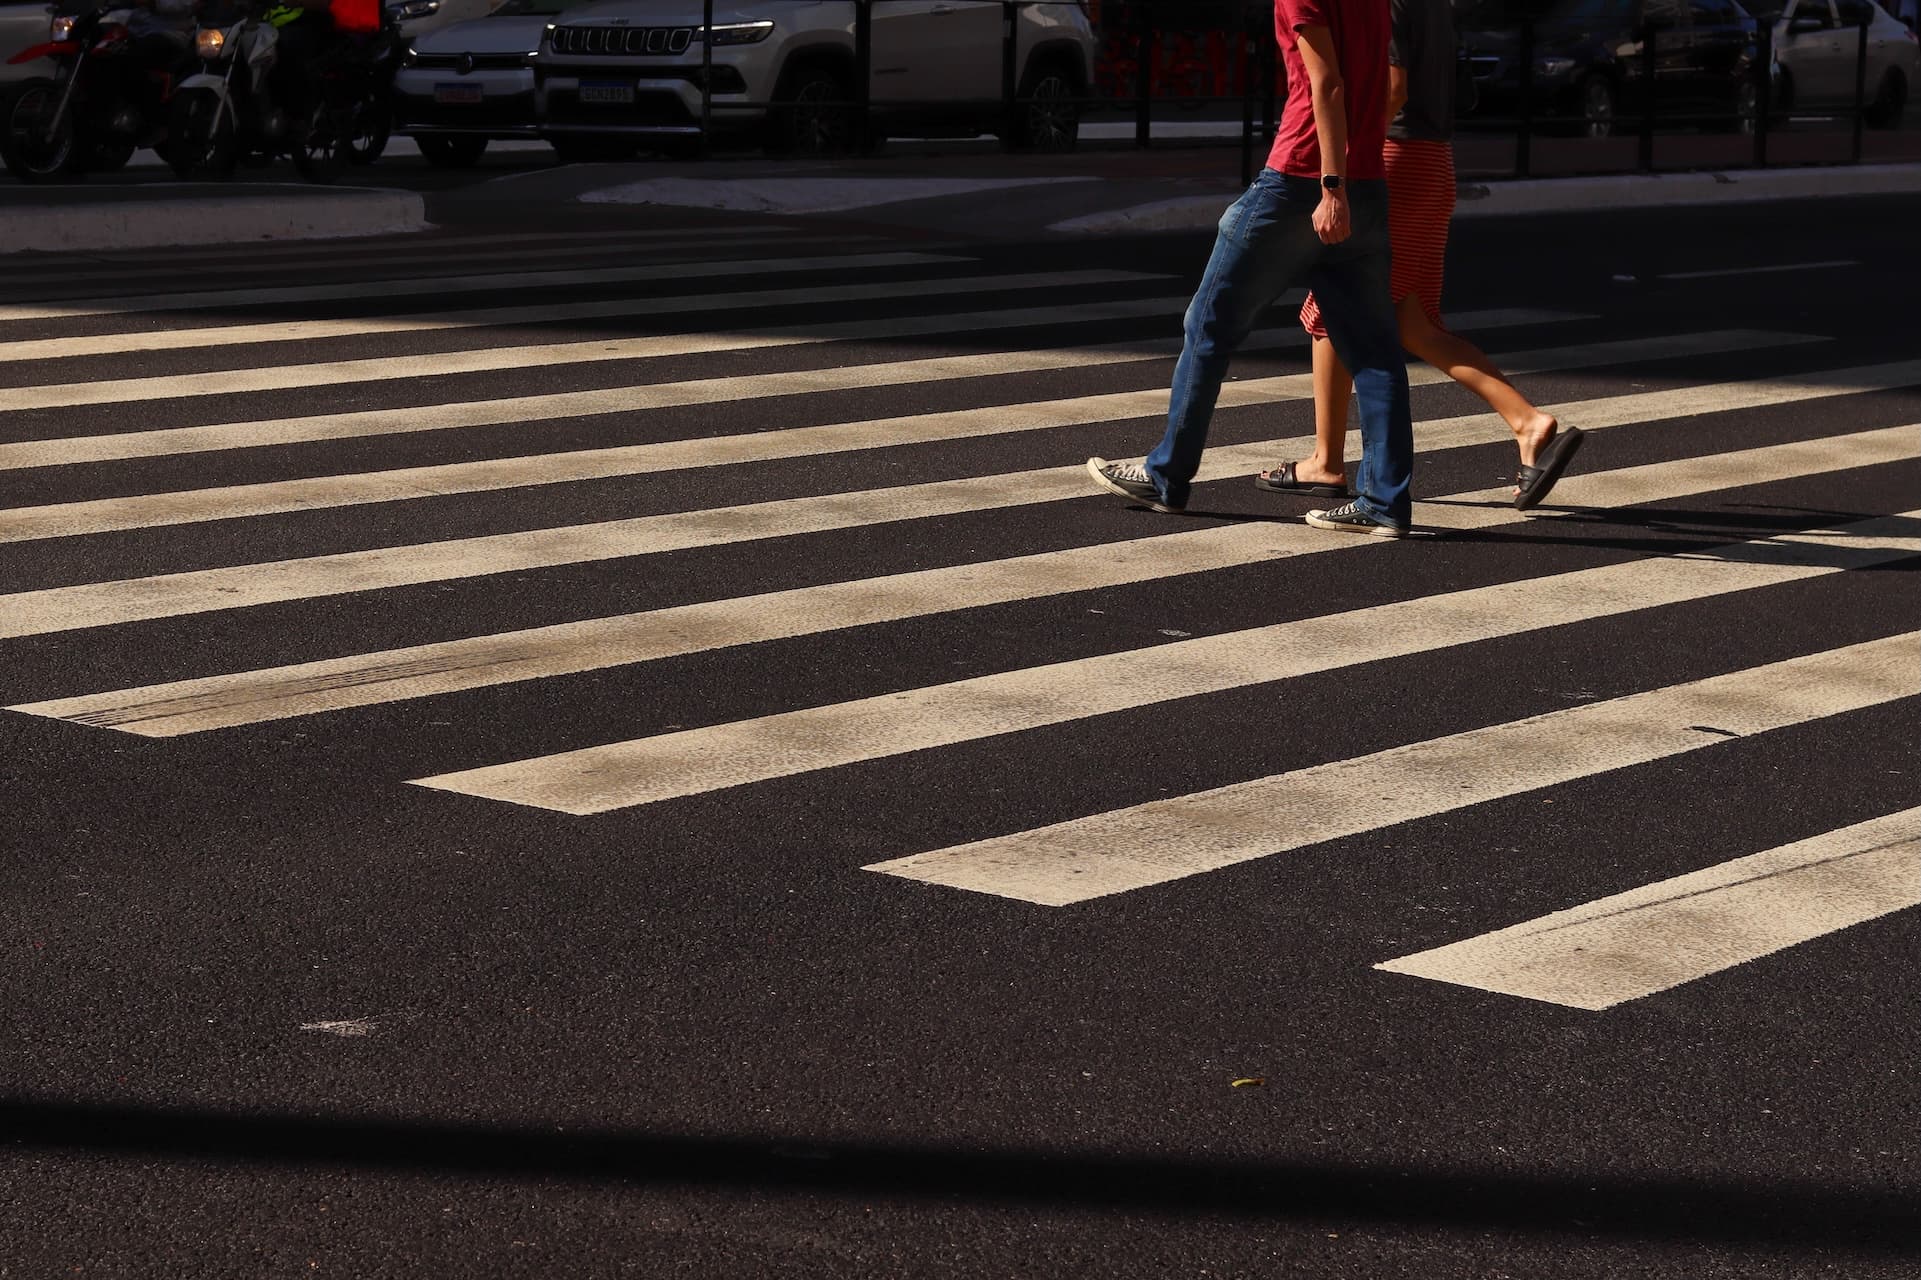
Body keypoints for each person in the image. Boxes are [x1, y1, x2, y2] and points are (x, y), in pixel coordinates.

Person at [1085, 0, 1416, 537]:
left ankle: (1167, 475)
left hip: (1301, 181)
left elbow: (1327, 83)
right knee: (1375, 353)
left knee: (1209, 325)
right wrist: (1357, 173)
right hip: (1366, 180)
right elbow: (1382, 81)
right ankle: (1385, 502)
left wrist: (1332, 186)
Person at [1255, 0, 1585, 511]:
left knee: (1329, 308)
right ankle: (1528, 424)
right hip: (1433, 162)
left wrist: (1342, 159)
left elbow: (1394, 85)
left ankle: (1326, 462)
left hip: (1395, 159)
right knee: (1415, 323)